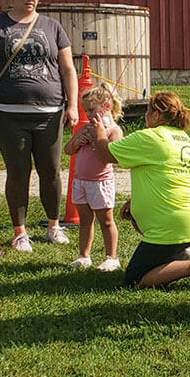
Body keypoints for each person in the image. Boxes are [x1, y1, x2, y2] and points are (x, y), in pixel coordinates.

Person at [0, 0, 79, 251]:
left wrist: (73, 106)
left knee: (51, 171)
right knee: (18, 172)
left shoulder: (52, 26)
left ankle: (54, 226)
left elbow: (68, 69)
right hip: (7, 115)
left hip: (50, 112)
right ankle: (20, 231)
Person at [91, 91, 190, 289]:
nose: (145, 116)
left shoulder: (149, 137)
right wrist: (136, 203)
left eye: (147, 111)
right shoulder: (183, 138)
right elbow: (168, 177)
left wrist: (99, 131)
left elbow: (106, 153)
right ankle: (179, 252)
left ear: (156, 115)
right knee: (157, 241)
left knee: (135, 279)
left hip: (177, 220)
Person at [64, 84, 124, 271]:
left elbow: (113, 157)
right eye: (86, 111)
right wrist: (77, 142)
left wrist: (99, 138)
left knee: (106, 221)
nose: (88, 115)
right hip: (81, 181)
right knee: (85, 220)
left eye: (91, 110)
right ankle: (84, 256)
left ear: (106, 107)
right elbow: (68, 150)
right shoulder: (85, 128)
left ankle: (112, 257)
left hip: (100, 182)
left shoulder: (113, 131)